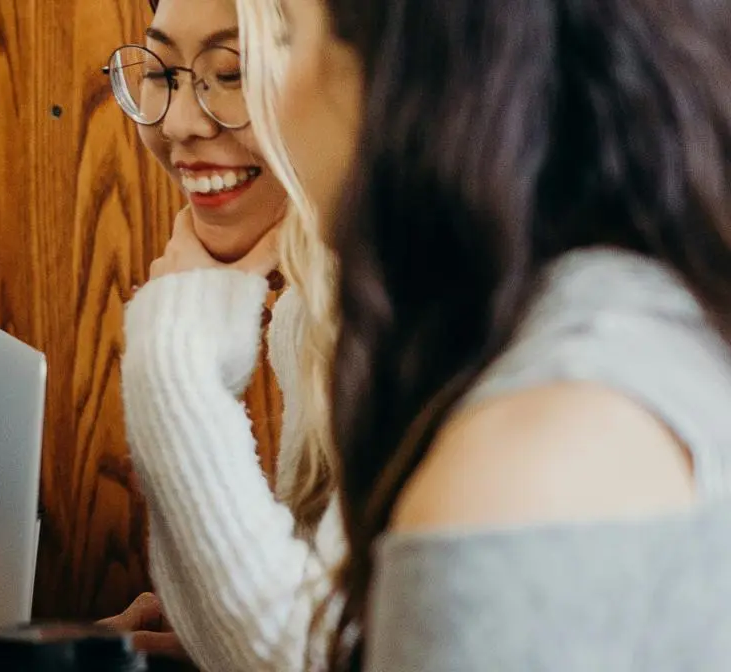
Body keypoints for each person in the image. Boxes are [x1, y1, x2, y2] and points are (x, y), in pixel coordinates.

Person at [264, 0, 731, 668]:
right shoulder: (666, 325)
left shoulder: (527, 468)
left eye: (288, 35)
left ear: (404, 70)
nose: (273, 105)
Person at [105, 0, 344, 668]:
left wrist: (173, 366)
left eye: (232, 73)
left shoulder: (439, 306)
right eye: (165, 71)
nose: (179, 124)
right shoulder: (316, 306)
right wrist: (210, 632)